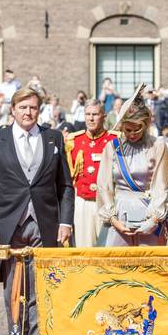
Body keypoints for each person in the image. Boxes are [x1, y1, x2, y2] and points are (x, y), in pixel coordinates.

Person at [0, 87, 74, 335]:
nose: (28, 113)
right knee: (14, 291)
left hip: (45, 224)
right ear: (13, 110)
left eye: (33, 108)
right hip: (10, 225)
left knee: (41, 290)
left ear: (39, 110)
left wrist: (65, 222)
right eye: (23, 108)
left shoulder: (52, 138)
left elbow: (65, 185)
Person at [97, 95, 168, 246]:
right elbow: (104, 185)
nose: (132, 134)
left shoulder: (157, 146)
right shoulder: (112, 147)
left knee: (149, 265)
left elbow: (161, 185)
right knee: (118, 266)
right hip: (119, 214)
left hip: (148, 214)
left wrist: (155, 219)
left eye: (137, 130)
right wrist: (113, 219)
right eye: (128, 129)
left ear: (146, 125)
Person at [66, 100, 117, 247]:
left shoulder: (114, 140)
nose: (91, 118)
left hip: (107, 201)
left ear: (104, 116)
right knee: (84, 248)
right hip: (83, 202)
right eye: (87, 114)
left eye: (95, 114)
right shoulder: (74, 141)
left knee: (108, 248)